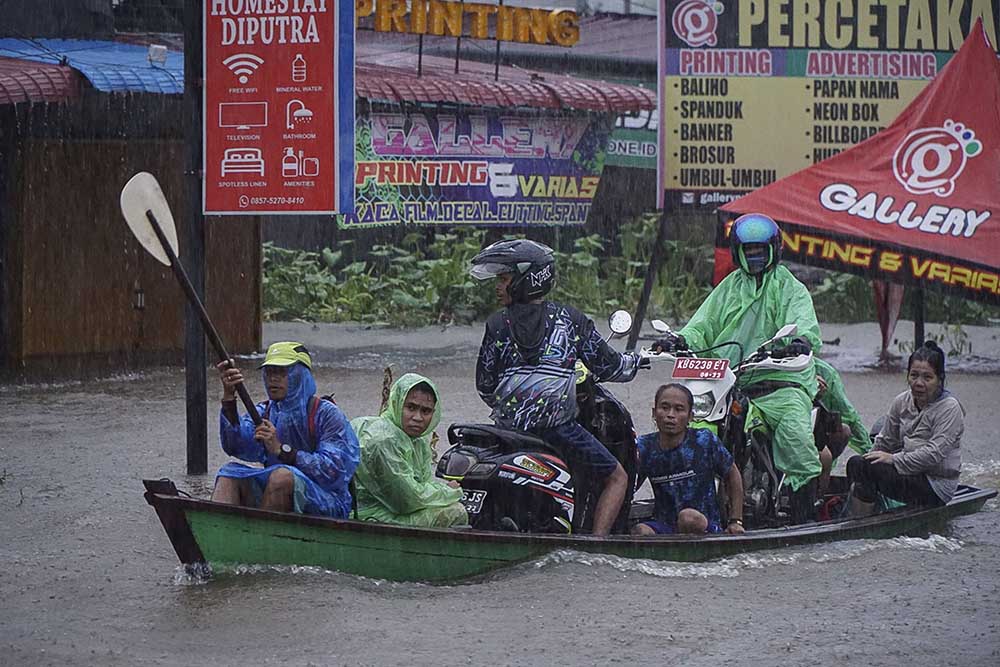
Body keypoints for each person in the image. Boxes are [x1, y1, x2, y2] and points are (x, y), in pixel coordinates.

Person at [656, 213, 822, 523]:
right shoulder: (729, 287)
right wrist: (678, 339)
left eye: (761, 250)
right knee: (693, 430)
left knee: (797, 440)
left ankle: (802, 519)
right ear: (738, 253)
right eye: (749, 251)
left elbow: (804, 324)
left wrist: (798, 340)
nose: (756, 257)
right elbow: (703, 324)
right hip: (728, 379)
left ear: (774, 250)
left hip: (779, 381)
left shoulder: (790, 288)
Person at [471, 239, 644, 536]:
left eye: (503, 279)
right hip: (557, 430)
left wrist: (515, 405)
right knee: (617, 476)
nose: (498, 287)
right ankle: (597, 544)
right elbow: (609, 366)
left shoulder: (497, 324)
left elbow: (485, 384)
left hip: (508, 429)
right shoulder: (569, 320)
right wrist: (636, 361)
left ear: (526, 278)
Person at [212, 342, 360, 518]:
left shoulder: (326, 414)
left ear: (300, 375)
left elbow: (334, 472)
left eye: (282, 372)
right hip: (276, 492)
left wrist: (283, 451)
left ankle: (261, 539)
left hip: (328, 500)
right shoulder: (265, 412)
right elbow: (235, 446)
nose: (273, 379)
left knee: (282, 477)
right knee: (229, 475)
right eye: (269, 372)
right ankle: (218, 535)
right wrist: (229, 397)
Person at [847, 341, 962, 515]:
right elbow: (886, 441)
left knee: (869, 469)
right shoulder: (902, 401)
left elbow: (933, 454)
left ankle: (862, 520)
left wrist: (893, 459)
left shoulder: (949, 408)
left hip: (935, 484)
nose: (919, 383)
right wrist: (868, 459)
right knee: (856, 464)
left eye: (927, 377)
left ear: (940, 380)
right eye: (914, 375)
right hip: (908, 472)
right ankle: (862, 517)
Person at [351, 373, 468, 527]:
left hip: (390, 508)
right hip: (367, 515)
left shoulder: (416, 441)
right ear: (397, 403)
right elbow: (405, 500)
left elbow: (421, 484)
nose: (417, 417)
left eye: (425, 411)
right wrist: (448, 491)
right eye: (411, 408)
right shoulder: (384, 440)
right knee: (455, 512)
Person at [632, 384, 745, 536]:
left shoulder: (704, 441)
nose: (670, 415)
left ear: (690, 417)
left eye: (679, 410)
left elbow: (732, 475)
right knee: (640, 531)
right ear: (654, 413)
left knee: (688, 518)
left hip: (704, 525)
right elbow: (629, 484)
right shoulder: (644, 447)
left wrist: (735, 521)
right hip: (665, 525)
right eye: (664, 408)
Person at [814, 358, 873, 495]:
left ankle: (816, 499)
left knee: (839, 436)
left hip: (805, 430)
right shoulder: (760, 366)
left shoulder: (821, 372)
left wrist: (870, 452)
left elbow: (849, 415)